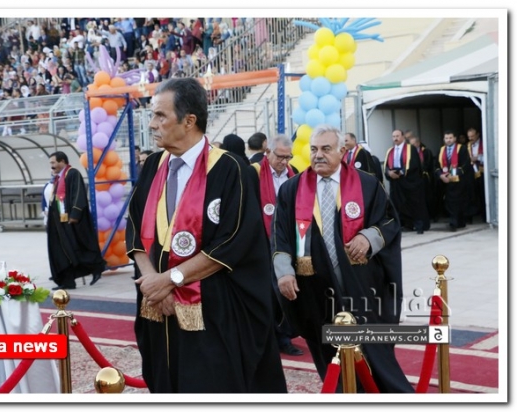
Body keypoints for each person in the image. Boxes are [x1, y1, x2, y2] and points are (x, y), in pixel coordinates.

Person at [126, 77, 287, 393]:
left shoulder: (230, 170)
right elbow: (134, 227)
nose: (152, 124)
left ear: (189, 121)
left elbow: (233, 242)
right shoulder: (154, 165)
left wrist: (170, 280)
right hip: (157, 306)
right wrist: (153, 283)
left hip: (211, 311)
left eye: (160, 116)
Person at [272, 125, 414, 393]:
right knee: (329, 354)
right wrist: (284, 271)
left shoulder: (366, 184)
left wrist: (368, 238)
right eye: (314, 149)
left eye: (326, 149)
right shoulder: (292, 189)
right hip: (315, 288)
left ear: (342, 151)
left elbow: (389, 221)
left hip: (361, 285)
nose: (318, 155)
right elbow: (279, 235)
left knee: (373, 353)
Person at [248, 134, 303, 357]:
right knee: (268, 293)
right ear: (267, 152)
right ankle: (274, 337)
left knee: (287, 289)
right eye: (280, 157)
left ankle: (285, 334)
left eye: (288, 157)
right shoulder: (252, 173)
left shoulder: (293, 173)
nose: (284, 161)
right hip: (261, 242)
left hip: (287, 241)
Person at [46, 151, 106, 289]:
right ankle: (67, 280)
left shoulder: (73, 173)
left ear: (62, 161)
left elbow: (79, 194)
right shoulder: (57, 178)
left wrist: (75, 215)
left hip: (72, 219)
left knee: (78, 246)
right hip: (59, 220)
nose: (52, 166)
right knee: (62, 250)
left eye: (53, 162)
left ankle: (96, 267)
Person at [383, 129, 430, 234]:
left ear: (403, 137)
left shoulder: (410, 149)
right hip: (396, 182)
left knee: (414, 203)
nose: (395, 138)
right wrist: (389, 173)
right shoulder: (390, 150)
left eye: (397, 136)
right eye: (393, 136)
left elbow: (415, 164)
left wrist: (402, 172)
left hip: (409, 181)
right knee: (399, 203)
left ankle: (419, 225)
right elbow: (386, 166)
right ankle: (406, 224)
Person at [434, 131, 476, 232]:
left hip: (459, 180)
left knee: (457, 202)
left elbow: (465, 165)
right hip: (445, 180)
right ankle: (458, 222)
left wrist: (452, 174)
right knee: (449, 201)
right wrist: (440, 175)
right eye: (446, 138)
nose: (448, 140)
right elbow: (436, 165)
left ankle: (455, 222)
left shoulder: (461, 148)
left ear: (455, 138)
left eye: (450, 138)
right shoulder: (441, 150)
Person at [408, 134, 437, 222]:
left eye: (414, 144)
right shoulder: (409, 153)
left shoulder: (426, 152)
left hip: (425, 177)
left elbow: (428, 165)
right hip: (414, 179)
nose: (412, 146)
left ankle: (432, 215)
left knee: (428, 197)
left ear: (418, 143)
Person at [467, 127, 486, 222]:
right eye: (469, 136)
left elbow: (490, 157)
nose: (470, 138)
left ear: (478, 135)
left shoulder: (484, 143)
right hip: (472, 173)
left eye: (472, 136)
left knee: (483, 195)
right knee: (472, 195)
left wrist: (477, 158)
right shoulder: (468, 145)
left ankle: (485, 216)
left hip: (483, 173)